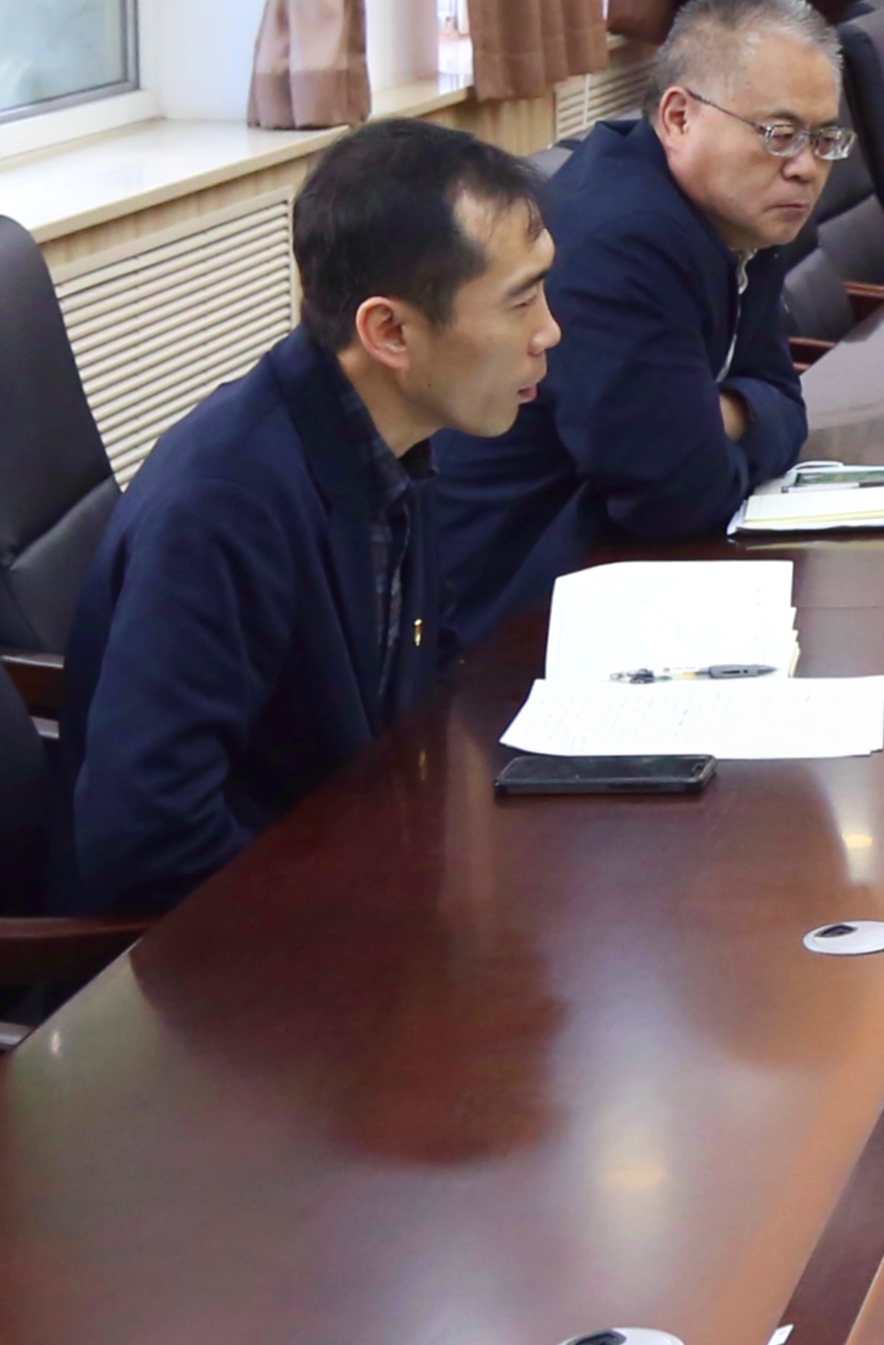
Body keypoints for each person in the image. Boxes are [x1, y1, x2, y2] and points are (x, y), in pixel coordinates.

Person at [60, 120, 558, 913]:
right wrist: (379, 912)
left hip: (355, 870)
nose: (548, 332)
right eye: (521, 301)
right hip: (232, 950)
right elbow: (146, 840)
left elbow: (421, 692)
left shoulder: (396, 438)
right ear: (388, 332)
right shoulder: (224, 506)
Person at [432, 0, 841, 637]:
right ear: (678, 118)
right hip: (511, 614)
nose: (805, 168)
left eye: (824, 139)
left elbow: (783, 401)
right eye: (780, 134)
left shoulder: (743, 214)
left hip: (610, 570)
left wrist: (724, 416)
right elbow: (679, 497)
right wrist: (719, 427)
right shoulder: (621, 242)